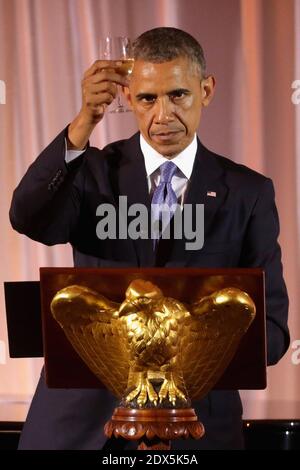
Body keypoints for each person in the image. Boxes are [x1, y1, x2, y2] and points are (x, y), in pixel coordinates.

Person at [9, 27, 289, 450]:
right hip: (83, 426)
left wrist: (191, 348)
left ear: (207, 89)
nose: (163, 115)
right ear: (127, 97)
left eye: (178, 95)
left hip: (195, 428)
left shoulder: (248, 193)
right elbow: (27, 217)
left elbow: (272, 331)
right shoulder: (92, 172)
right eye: (147, 98)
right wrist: (83, 122)